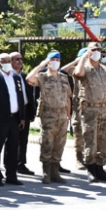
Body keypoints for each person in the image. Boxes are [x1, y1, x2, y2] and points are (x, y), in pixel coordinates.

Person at [26, 51, 72, 184]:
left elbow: (68, 98)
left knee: (60, 144)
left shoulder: (64, 78)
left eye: (57, 60)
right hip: (48, 115)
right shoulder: (42, 77)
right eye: (52, 60)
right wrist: (41, 65)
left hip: (62, 115)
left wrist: (68, 114)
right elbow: (29, 78)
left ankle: (55, 172)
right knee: (47, 143)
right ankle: (46, 173)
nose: (55, 62)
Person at [73, 42, 106, 183]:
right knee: (90, 140)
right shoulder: (84, 68)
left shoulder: (105, 70)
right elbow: (78, 74)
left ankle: (100, 168)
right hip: (90, 109)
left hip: (105, 108)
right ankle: (90, 169)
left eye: (98, 49)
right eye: (93, 49)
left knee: (104, 140)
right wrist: (84, 57)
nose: (97, 52)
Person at [0, 53, 26, 186]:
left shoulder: (16, 77)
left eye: (9, 60)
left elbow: (19, 98)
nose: (8, 63)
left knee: (13, 148)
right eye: (5, 61)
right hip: (0, 119)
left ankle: (11, 175)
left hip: (14, 118)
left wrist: (22, 117)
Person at [11, 52, 37, 176]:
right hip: (13, 112)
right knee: (12, 140)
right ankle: (10, 164)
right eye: (17, 59)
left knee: (23, 139)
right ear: (10, 61)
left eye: (21, 59)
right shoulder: (8, 76)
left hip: (25, 111)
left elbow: (30, 96)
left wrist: (32, 112)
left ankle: (21, 164)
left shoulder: (25, 77)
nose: (20, 61)